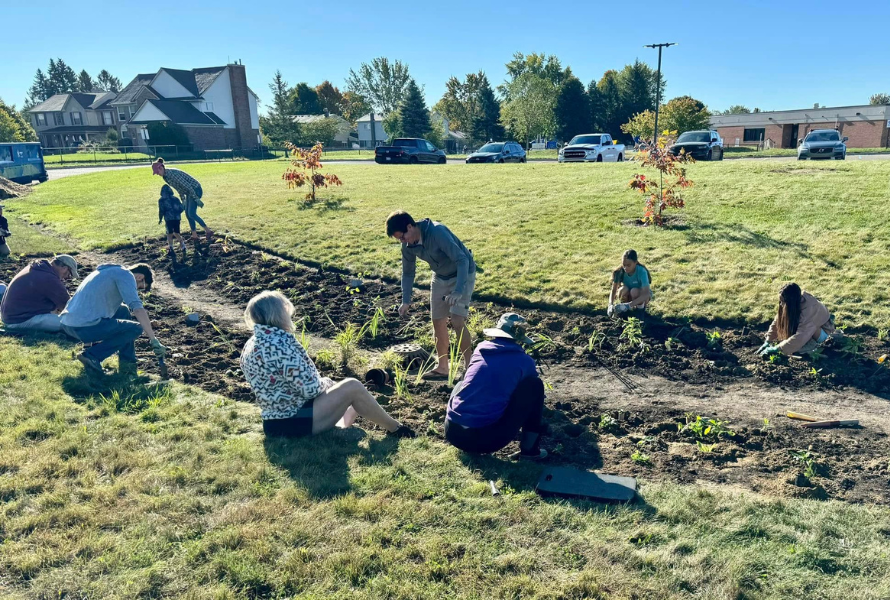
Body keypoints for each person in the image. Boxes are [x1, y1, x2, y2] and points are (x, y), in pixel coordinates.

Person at [240, 291, 415, 439]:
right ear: (278, 315)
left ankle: (339, 430)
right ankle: (397, 429)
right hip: (294, 420)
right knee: (353, 386)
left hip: (273, 423)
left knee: (355, 397)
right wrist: (327, 382)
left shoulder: (251, 344)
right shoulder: (280, 344)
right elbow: (310, 390)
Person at [386, 210, 476, 380]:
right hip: (440, 277)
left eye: (402, 237)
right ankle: (443, 367)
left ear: (410, 226)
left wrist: (458, 291)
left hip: (462, 273)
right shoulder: (408, 246)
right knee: (438, 321)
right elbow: (407, 273)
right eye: (399, 239)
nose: (402, 242)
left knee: (457, 320)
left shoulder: (437, 232)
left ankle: (470, 367)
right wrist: (406, 301)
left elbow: (462, 260)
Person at [444, 313, 548, 460]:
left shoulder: (480, 349)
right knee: (534, 386)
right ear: (520, 338)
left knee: (462, 382)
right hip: (486, 440)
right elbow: (526, 398)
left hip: (453, 432)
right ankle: (530, 451)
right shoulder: (524, 361)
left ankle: (466, 423)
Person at [61, 263, 167, 375]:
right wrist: (153, 339)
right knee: (135, 329)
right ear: (140, 277)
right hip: (83, 327)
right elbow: (137, 308)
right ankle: (92, 356)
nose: (136, 290)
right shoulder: (126, 275)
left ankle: (127, 364)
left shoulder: (106, 272)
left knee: (123, 310)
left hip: (68, 324)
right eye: (140, 287)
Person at [1, 254, 78, 333]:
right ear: (64, 268)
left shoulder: (37, 268)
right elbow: (67, 307)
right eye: (69, 274)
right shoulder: (49, 278)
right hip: (19, 320)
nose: (67, 278)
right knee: (71, 323)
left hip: (11, 317)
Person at [760, 283, 839, 356]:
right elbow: (778, 321)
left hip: (823, 333)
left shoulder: (809, 309)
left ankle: (814, 345)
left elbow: (801, 336)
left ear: (790, 301)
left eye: (782, 301)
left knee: (798, 348)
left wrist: (777, 349)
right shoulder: (794, 303)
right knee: (792, 342)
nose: (781, 304)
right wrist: (768, 340)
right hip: (807, 330)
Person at [151, 158, 212, 242]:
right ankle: (195, 236)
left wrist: (195, 198)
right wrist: (183, 200)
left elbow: (187, 186)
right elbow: (179, 188)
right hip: (189, 192)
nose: (157, 174)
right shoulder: (165, 177)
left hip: (195, 189)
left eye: (157, 172)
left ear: (161, 168)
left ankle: (208, 231)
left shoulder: (172, 174)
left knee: (192, 213)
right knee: (187, 214)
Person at [608, 249, 652, 317]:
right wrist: (610, 304)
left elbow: (646, 294)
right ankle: (625, 312)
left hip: (641, 297)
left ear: (635, 262)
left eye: (628, 265)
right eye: (624, 265)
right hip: (629, 296)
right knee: (623, 290)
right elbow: (613, 290)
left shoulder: (642, 271)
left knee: (634, 291)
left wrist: (629, 305)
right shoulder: (619, 272)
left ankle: (640, 312)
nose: (625, 268)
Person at [157, 184, 187, 255]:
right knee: (176, 232)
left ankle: (171, 247)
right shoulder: (175, 198)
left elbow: (161, 210)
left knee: (169, 233)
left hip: (168, 219)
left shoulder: (161, 200)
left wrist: (160, 219)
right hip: (177, 218)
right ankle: (182, 245)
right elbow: (181, 208)